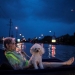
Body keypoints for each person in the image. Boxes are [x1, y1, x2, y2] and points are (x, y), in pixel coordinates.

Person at [4, 37, 74, 70]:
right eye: (13, 44)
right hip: (28, 67)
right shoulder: (9, 55)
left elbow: (22, 61)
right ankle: (65, 63)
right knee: (46, 64)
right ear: (7, 45)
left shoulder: (14, 52)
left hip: (28, 63)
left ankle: (64, 63)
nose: (15, 45)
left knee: (42, 61)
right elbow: (17, 68)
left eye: (15, 43)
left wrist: (23, 54)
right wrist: (29, 66)